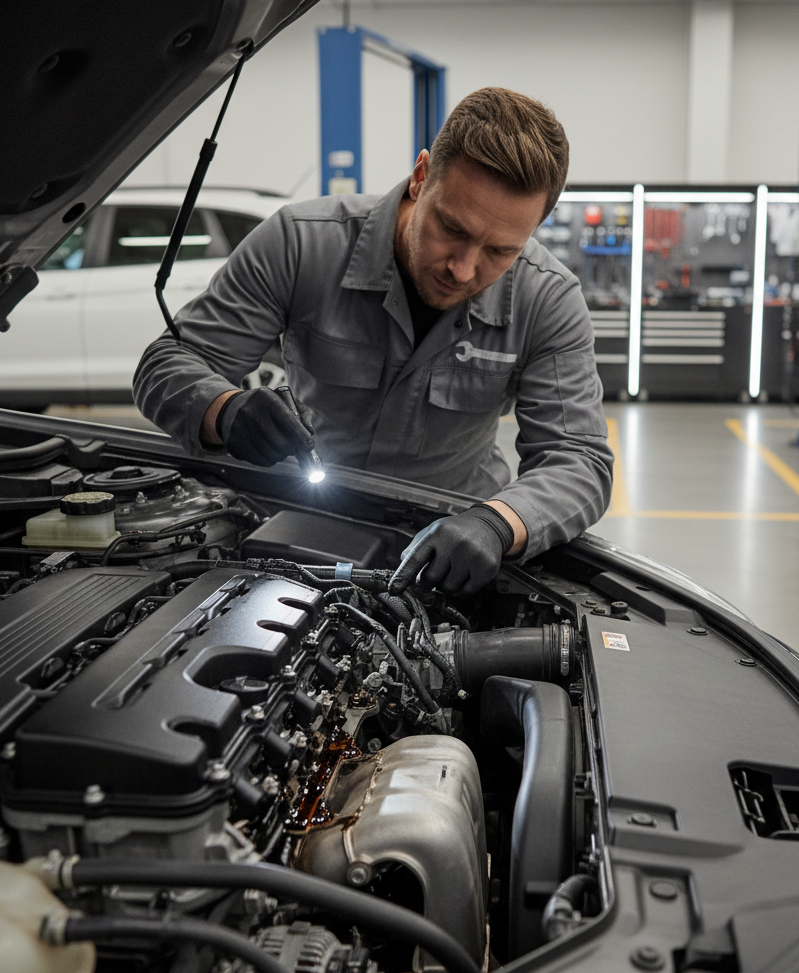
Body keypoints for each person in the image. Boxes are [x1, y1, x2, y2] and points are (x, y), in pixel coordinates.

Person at [133, 87, 613, 595]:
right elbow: (167, 362)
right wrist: (224, 411)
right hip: (293, 528)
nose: (464, 267)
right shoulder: (301, 244)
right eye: (451, 228)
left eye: (500, 250)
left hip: (445, 553)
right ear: (421, 176)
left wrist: (498, 522)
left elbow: (578, 458)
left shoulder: (548, 298)